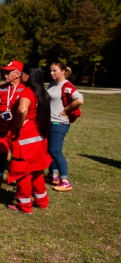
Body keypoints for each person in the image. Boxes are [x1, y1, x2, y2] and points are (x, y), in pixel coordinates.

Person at [6, 65, 52, 213]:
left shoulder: (27, 91)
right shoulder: (42, 92)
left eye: (23, 74)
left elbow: (22, 109)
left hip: (26, 137)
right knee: (37, 170)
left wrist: (18, 123)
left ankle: (24, 205)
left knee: (23, 172)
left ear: (28, 75)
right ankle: (42, 201)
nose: (21, 76)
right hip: (39, 136)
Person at [0, 61, 26, 190]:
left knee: (18, 158)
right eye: (5, 72)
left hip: (17, 130)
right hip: (2, 128)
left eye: (8, 72)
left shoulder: (25, 90)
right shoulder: (2, 88)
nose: (5, 74)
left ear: (18, 74)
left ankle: (18, 182)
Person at [47, 62, 84, 192]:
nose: (51, 73)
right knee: (49, 150)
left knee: (55, 151)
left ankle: (65, 181)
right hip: (50, 122)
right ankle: (54, 175)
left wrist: (66, 110)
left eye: (55, 71)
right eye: (50, 71)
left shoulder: (66, 85)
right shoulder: (52, 84)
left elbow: (79, 99)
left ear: (63, 71)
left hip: (60, 123)